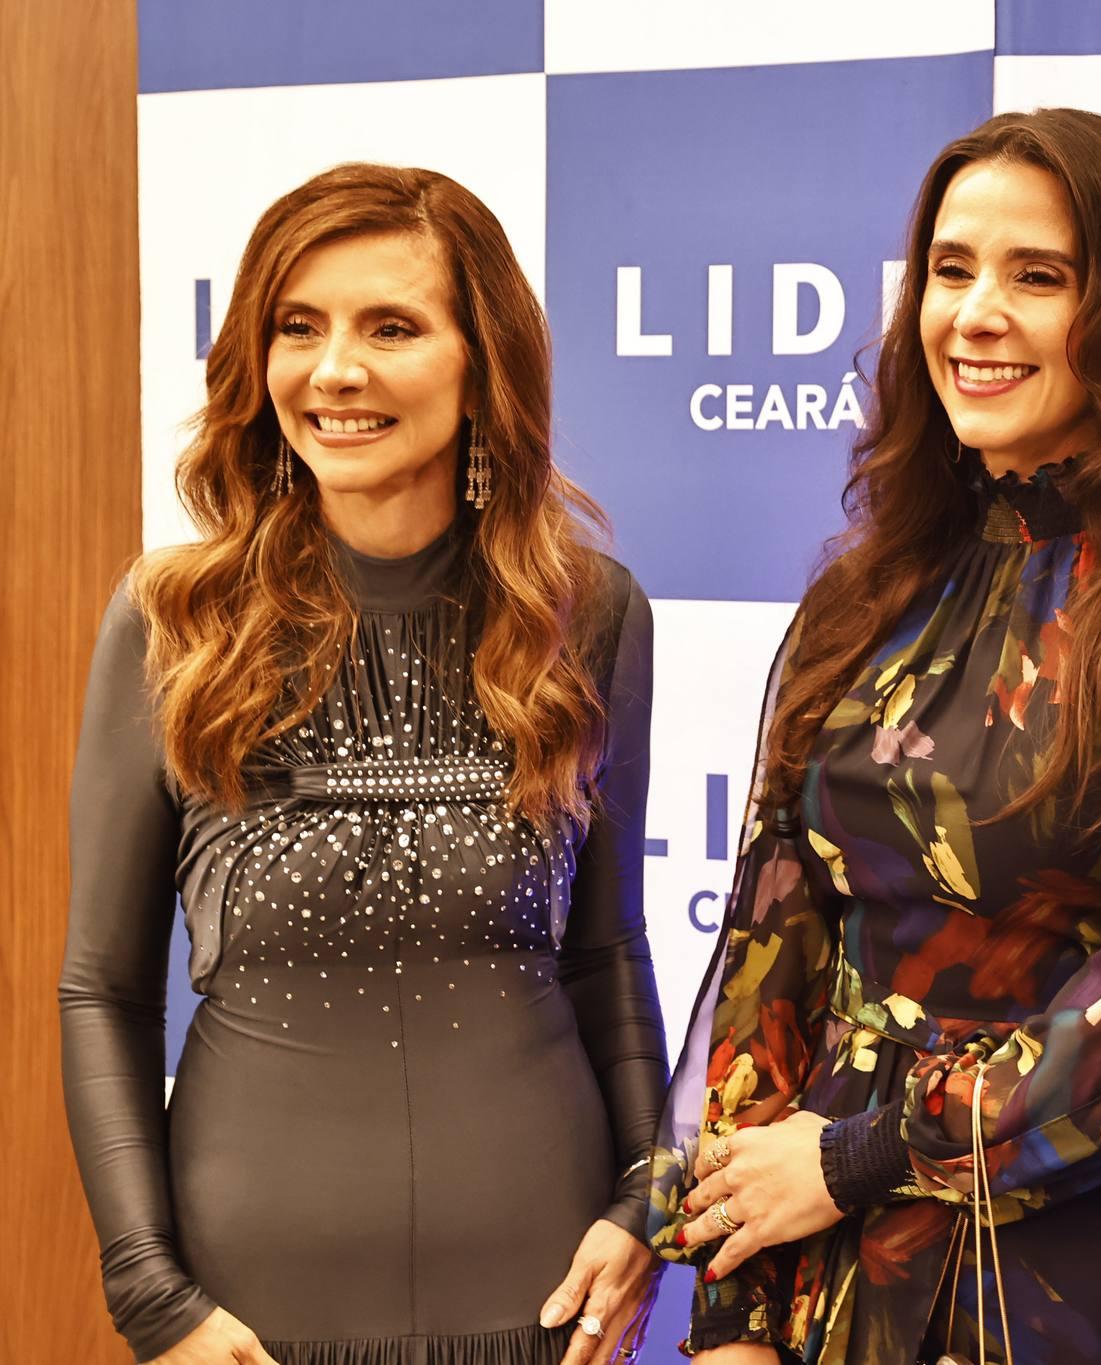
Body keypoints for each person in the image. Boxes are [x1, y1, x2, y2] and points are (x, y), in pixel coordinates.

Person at [645, 109, 1101, 1364]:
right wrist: (728, 1305)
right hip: (818, 1272)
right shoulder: (864, 598)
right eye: (951, 270)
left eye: (1036, 277)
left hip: (1064, 1293)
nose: (974, 315)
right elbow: (773, 948)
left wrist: (858, 1156)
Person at [59, 163, 666, 1365]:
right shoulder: (173, 621)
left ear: (482, 364)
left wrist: (645, 1197)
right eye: (299, 327)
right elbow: (104, 991)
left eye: (391, 327)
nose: (334, 370)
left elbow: (605, 952)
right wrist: (150, 1296)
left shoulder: (587, 612)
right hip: (248, 1317)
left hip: (545, 1295)